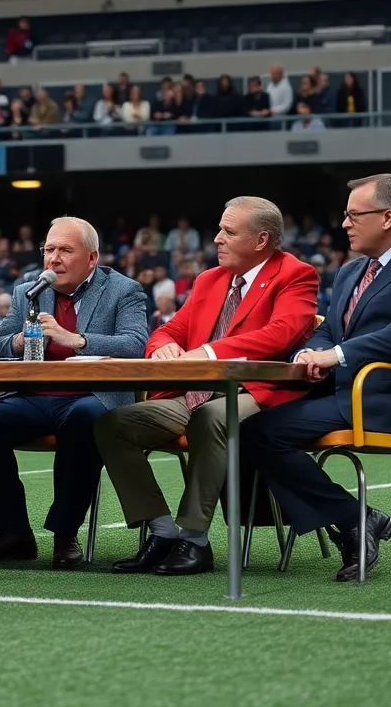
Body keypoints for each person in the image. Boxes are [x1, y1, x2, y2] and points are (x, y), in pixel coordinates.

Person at [239, 174, 391, 581]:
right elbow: (329, 328)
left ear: (388, 217)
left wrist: (336, 354)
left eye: (354, 215)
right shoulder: (350, 271)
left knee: (260, 433)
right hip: (343, 391)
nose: (344, 223)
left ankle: (352, 521)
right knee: (240, 421)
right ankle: (357, 520)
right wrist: (310, 350)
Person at [94, 197, 319, 575]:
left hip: (255, 395)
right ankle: (163, 532)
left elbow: (282, 334)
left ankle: (194, 539)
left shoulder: (296, 274)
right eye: (219, 229)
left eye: (229, 232)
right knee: (113, 424)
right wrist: (163, 345)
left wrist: (207, 352)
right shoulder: (209, 279)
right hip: (192, 395)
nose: (216, 239)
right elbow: (168, 329)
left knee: (213, 416)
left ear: (262, 240)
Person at [0, 217, 149, 568]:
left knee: (85, 418)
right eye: (49, 250)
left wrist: (76, 340)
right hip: (34, 396)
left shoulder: (124, 290)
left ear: (92, 259)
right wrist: (18, 341)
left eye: (65, 250)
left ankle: (65, 532)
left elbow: (136, 344)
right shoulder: (28, 291)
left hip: (92, 396)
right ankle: (11, 533)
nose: (53, 259)